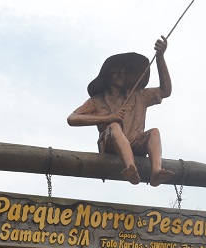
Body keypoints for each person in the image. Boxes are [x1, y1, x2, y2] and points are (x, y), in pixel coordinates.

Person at [67, 36, 175, 187]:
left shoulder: (139, 95)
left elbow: (166, 90)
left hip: (135, 142)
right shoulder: (97, 101)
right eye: (116, 71)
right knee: (114, 126)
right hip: (111, 146)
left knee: (154, 132)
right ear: (107, 76)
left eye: (123, 72)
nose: (120, 75)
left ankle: (156, 171)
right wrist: (108, 118)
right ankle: (130, 168)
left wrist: (160, 58)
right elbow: (72, 119)